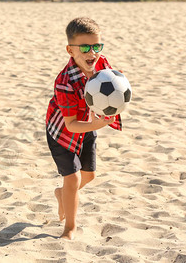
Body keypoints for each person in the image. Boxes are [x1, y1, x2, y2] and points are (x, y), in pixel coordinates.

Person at [45, 17, 122, 240]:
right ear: (70, 50)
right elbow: (70, 124)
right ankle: (69, 228)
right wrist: (98, 124)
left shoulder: (102, 65)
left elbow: (112, 87)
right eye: (85, 47)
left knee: (89, 175)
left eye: (97, 46)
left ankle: (62, 195)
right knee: (74, 179)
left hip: (87, 124)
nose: (92, 53)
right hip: (62, 132)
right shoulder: (64, 82)